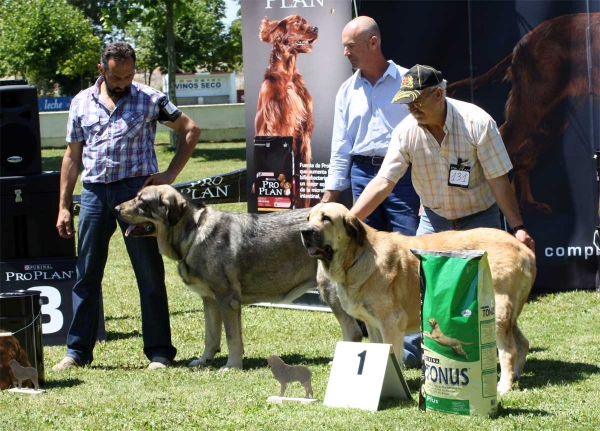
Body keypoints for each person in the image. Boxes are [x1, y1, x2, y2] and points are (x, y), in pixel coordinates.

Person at [53, 42, 201, 371]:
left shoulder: (150, 99)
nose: (123, 82)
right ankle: (77, 352)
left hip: (138, 194)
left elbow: (190, 130)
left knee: (149, 274)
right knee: (86, 275)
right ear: (101, 69)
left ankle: (160, 353)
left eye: (129, 75)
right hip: (93, 194)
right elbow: (72, 157)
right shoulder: (80, 103)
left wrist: (169, 174)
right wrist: (64, 205)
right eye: (117, 76)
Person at [322, 16, 422, 367]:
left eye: (351, 46)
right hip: (363, 174)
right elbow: (339, 147)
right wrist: (329, 199)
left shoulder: (410, 80)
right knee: (363, 258)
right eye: (344, 46)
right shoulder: (346, 90)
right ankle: (379, 348)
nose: (346, 52)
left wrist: (425, 189)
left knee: (410, 260)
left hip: (405, 176)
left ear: (373, 43)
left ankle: (412, 349)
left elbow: (426, 131)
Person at [352, 63, 535, 253]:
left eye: (417, 101)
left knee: (483, 281)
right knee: (430, 281)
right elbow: (383, 182)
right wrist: (348, 219)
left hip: (480, 220)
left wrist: (518, 228)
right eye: (407, 103)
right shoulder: (404, 132)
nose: (412, 109)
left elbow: (498, 179)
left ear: (438, 94)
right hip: (434, 222)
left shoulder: (478, 123)